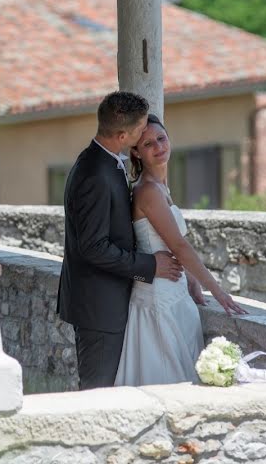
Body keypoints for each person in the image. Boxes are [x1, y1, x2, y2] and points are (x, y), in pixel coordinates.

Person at [57, 92, 185, 390]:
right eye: (141, 131)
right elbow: (93, 247)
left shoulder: (105, 161)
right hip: (99, 308)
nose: (146, 134)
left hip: (109, 301)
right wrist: (150, 265)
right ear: (123, 134)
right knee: (98, 394)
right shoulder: (96, 174)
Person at [115, 114, 248, 387]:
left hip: (174, 291)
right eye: (148, 143)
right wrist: (218, 292)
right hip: (158, 299)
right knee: (167, 379)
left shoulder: (161, 187)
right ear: (136, 153)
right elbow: (178, 244)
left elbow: (167, 244)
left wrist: (192, 280)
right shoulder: (148, 191)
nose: (158, 147)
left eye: (161, 139)